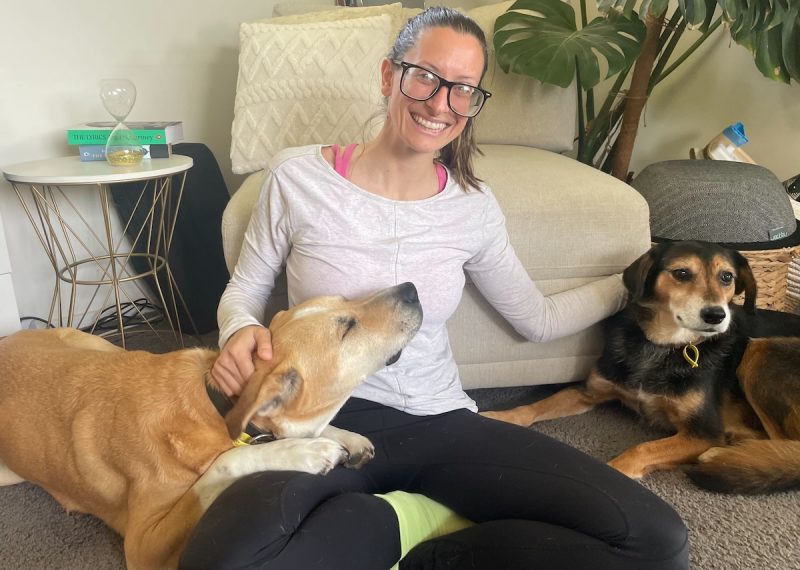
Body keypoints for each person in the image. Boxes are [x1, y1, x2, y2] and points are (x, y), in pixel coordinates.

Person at [180, 7, 688, 570]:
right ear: (387, 76)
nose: (441, 103)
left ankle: (418, 543)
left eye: (463, 89)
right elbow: (245, 288)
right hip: (328, 421)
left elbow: (535, 319)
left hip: (439, 422)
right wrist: (241, 328)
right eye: (426, 76)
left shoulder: (472, 208)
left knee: (655, 540)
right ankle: (397, 518)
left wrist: (637, 284)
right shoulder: (297, 179)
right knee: (219, 562)